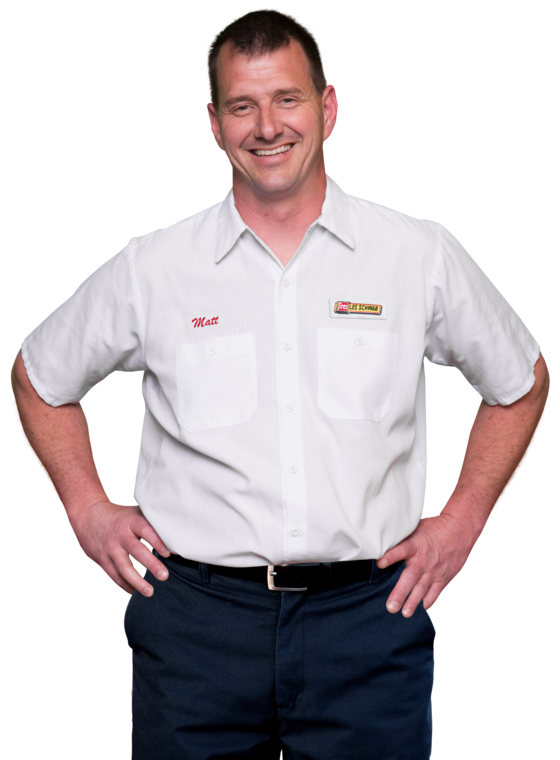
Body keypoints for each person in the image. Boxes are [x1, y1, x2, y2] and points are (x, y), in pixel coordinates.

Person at [10, 8, 549, 760]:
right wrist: (88, 509)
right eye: (242, 105)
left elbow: (520, 382)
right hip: (195, 626)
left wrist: (462, 521)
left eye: (287, 99)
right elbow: (38, 378)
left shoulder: (415, 252)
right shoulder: (154, 266)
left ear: (328, 107)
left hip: (370, 620)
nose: (267, 126)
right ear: (214, 123)